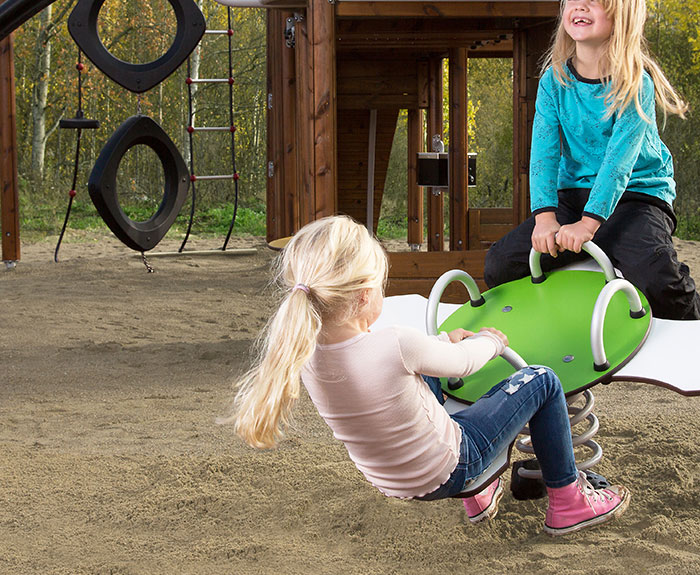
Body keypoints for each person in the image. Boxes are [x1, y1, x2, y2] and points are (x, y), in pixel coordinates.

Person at [230, 215, 630, 536]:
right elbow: (465, 363)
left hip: (393, 481)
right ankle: (569, 501)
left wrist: (441, 340)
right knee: (541, 379)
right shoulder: (396, 344)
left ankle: (481, 495)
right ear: (366, 295)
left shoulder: (305, 354)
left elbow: (402, 369)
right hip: (456, 466)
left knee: (423, 377)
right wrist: (489, 340)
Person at [484, 0, 700, 321]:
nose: (580, 6)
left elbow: (618, 165)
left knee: (656, 276)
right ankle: (552, 327)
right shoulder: (554, 82)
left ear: (620, 16)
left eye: (595, 0)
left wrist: (589, 226)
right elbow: (543, 154)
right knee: (501, 263)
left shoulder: (635, 85)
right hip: (573, 197)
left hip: (636, 197)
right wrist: (545, 218)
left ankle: (699, 326)